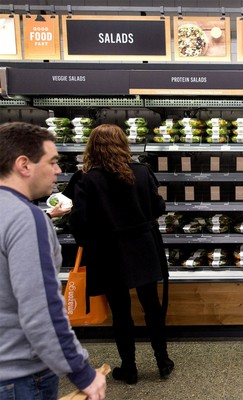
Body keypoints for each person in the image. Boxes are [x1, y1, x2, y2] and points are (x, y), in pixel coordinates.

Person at [0, 122, 106, 400]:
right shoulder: (26, 218)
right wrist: (82, 372)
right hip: (20, 378)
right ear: (24, 165)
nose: (59, 170)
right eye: (53, 161)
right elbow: (41, 310)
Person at [69, 124, 173, 384]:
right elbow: (158, 207)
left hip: (108, 251)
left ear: (92, 147)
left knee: (121, 312)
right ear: (123, 145)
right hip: (143, 247)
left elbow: (80, 220)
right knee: (152, 306)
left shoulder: (86, 179)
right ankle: (162, 361)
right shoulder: (141, 171)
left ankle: (130, 368)